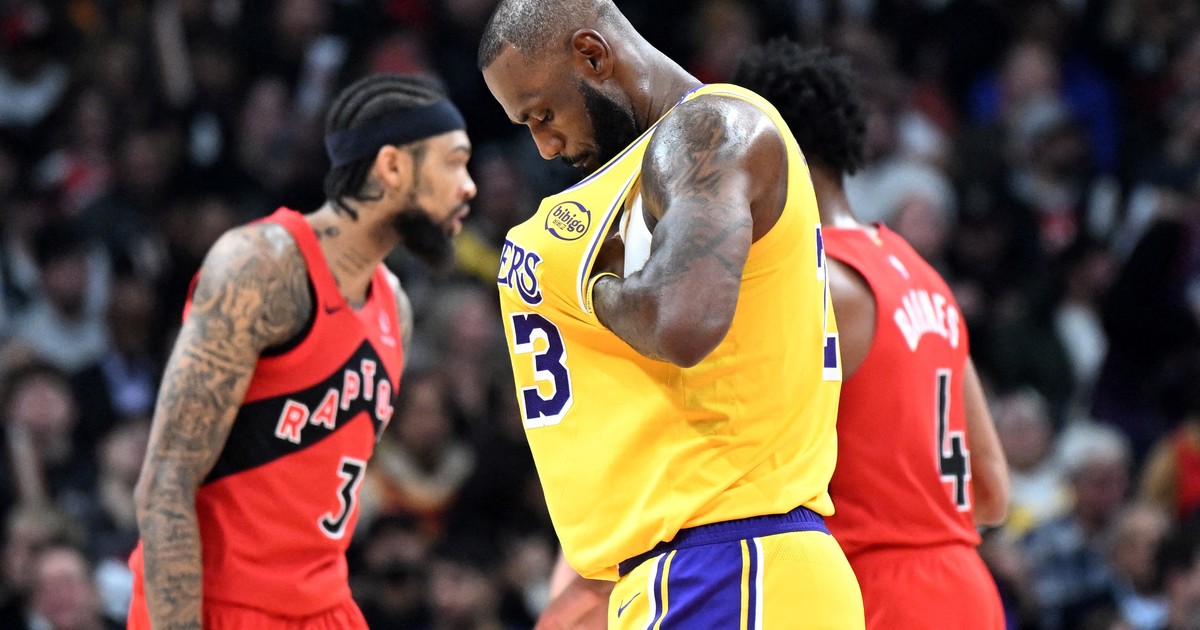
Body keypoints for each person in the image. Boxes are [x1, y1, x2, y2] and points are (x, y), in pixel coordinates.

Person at [480, 2, 863, 628]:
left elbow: (681, 322)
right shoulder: (646, 168)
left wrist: (589, 286)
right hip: (688, 572)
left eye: (543, 114)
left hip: (730, 561)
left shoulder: (709, 129)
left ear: (593, 55)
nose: (544, 147)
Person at [128, 74, 476, 629]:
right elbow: (166, 481)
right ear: (391, 167)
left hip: (324, 606)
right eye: (454, 163)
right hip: (221, 603)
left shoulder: (396, 308)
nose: (469, 187)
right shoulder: (262, 267)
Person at [733, 41, 1010, 629]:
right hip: (967, 588)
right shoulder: (923, 274)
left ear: (764, 151)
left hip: (873, 593)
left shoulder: (809, 282)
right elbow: (992, 492)